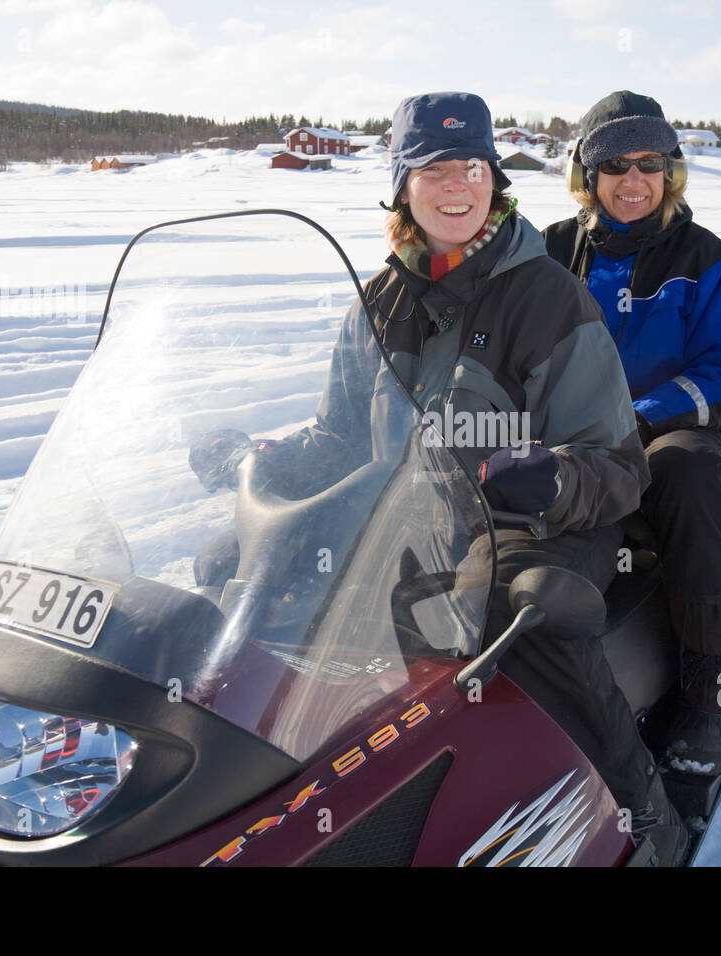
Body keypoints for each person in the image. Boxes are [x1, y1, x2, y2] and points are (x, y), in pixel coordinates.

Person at [192, 91, 688, 860]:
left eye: (472, 166)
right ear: (401, 184)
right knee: (235, 563)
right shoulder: (379, 300)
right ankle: (251, 790)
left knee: (517, 609)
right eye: (434, 169)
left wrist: (550, 479)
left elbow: (618, 466)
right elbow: (337, 438)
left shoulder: (547, 295)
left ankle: (642, 812)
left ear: (495, 177)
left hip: (536, 523)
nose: (457, 185)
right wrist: (260, 458)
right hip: (413, 517)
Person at [542, 91, 721, 777]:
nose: (632, 180)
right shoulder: (551, 251)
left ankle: (713, 689)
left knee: (687, 469)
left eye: (649, 163)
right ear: (588, 174)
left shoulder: (708, 260)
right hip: (570, 438)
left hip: (668, 437)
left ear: (671, 171)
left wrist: (643, 416)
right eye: (614, 164)